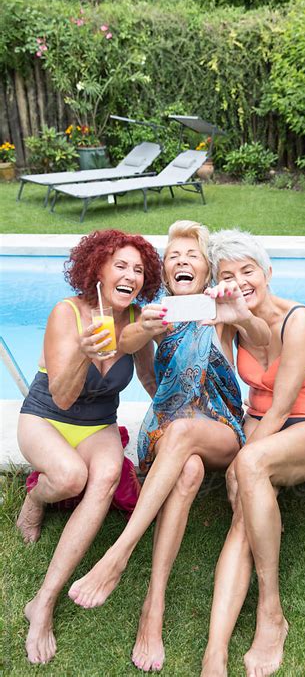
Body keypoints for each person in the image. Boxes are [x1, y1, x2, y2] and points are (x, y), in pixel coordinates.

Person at [67, 220, 270, 673]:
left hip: (217, 427)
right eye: (173, 256)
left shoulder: (221, 307)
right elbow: (130, 347)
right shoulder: (156, 315)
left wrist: (240, 315)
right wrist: (146, 328)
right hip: (168, 428)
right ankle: (152, 607)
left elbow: (264, 341)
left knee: (185, 436)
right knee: (188, 469)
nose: (181, 262)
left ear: (207, 270)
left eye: (192, 256)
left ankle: (118, 554)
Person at [16, 229, 162, 665]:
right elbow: (60, 396)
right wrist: (82, 352)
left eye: (138, 270)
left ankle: (42, 601)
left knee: (103, 478)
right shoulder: (69, 313)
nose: (130, 276)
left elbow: (150, 381)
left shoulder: (136, 320)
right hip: (46, 417)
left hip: (97, 422)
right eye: (120, 265)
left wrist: (178, 409)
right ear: (96, 268)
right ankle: (37, 499)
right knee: (67, 478)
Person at [201, 230, 305, 677]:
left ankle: (271, 609)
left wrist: (239, 461)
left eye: (248, 270)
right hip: (260, 424)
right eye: (228, 274)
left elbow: (284, 405)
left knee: (248, 467)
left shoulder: (300, 319)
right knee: (241, 515)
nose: (240, 280)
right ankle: (215, 651)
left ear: (267, 272)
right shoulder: (233, 318)